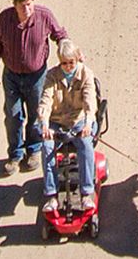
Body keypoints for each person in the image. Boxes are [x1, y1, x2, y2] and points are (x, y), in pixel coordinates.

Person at [0, 0, 67, 176]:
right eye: (22, 6)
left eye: (30, 4)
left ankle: (34, 150)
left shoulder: (44, 16)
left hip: (37, 76)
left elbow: (60, 35)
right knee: (13, 117)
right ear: (14, 5)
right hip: (11, 76)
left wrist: (66, 50)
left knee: (36, 115)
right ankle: (15, 155)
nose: (27, 9)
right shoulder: (4, 20)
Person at [36, 39, 98, 213]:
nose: (68, 66)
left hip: (79, 122)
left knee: (85, 144)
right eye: (64, 63)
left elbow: (89, 101)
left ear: (78, 59)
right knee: (47, 147)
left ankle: (86, 193)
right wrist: (45, 124)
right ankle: (51, 195)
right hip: (57, 122)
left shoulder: (86, 74)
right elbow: (46, 100)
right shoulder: (51, 76)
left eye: (71, 62)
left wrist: (87, 123)